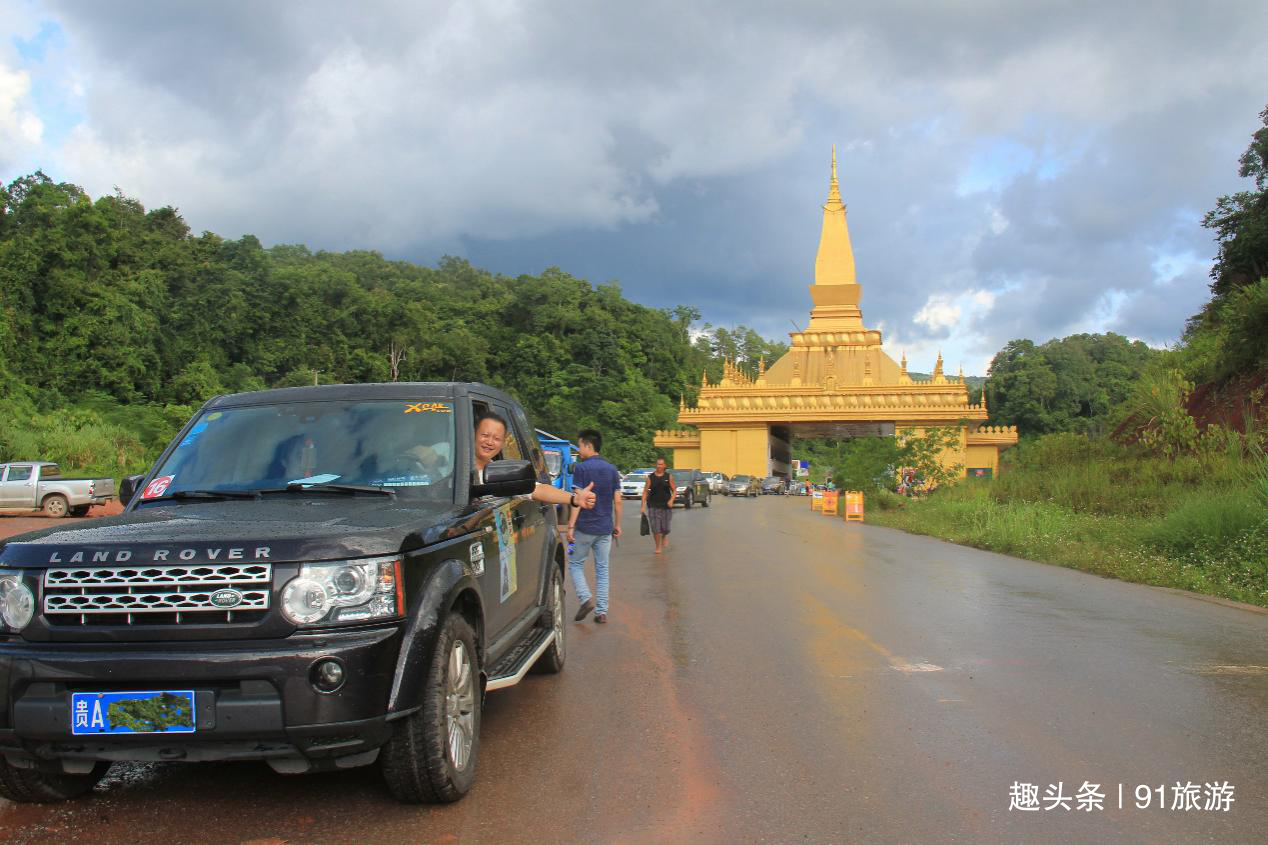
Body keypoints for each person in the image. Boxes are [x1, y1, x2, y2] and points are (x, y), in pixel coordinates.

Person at [473, 412, 595, 509]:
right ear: (474, 434)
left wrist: (575, 499)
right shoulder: (455, 465)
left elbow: (537, 489)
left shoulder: (502, 474)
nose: (489, 442)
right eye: (485, 435)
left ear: (503, 443)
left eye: (496, 438)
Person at [566, 429, 622, 624]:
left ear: (588, 446)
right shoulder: (612, 469)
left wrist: (570, 527)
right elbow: (618, 501)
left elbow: (578, 501)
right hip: (605, 530)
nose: (579, 450)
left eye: (580, 446)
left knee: (573, 562)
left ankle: (585, 598)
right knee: (602, 569)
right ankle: (601, 612)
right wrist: (618, 525)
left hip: (582, 529)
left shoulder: (581, 469)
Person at [640, 457, 675, 554]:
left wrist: (671, 500)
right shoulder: (650, 478)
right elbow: (645, 492)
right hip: (653, 505)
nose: (658, 466)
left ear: (664, 466)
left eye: (661, 464)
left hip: (666, 506)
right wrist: (642, 506)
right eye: (657, 464)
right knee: (656, 528)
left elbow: (674, 490)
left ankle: (664, 536)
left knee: (666, 528)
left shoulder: (669, 477)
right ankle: (658, 546)